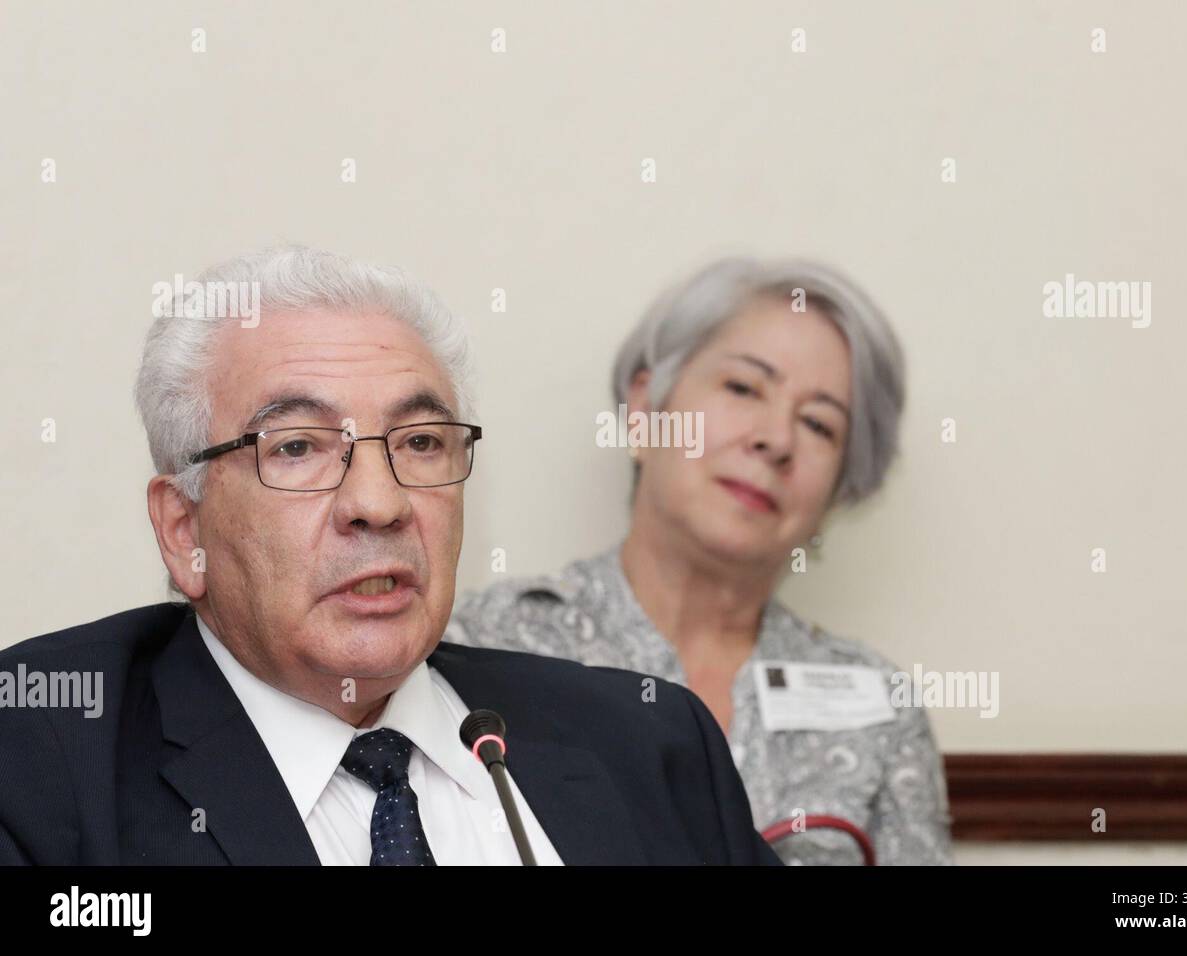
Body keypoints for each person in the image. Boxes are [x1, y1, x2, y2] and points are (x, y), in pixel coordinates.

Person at [0, 245, 779, 866]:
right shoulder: (40, 763)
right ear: (183, 531)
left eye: (419, 443)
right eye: (298, 446)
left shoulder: (650, 743)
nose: (379, 502)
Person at [449, 257, 954, 865]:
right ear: (645, 409)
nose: (776, 439)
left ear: (840, 492)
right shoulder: (481, 642)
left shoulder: (881, 707)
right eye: (743, 388)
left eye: (819, 424)